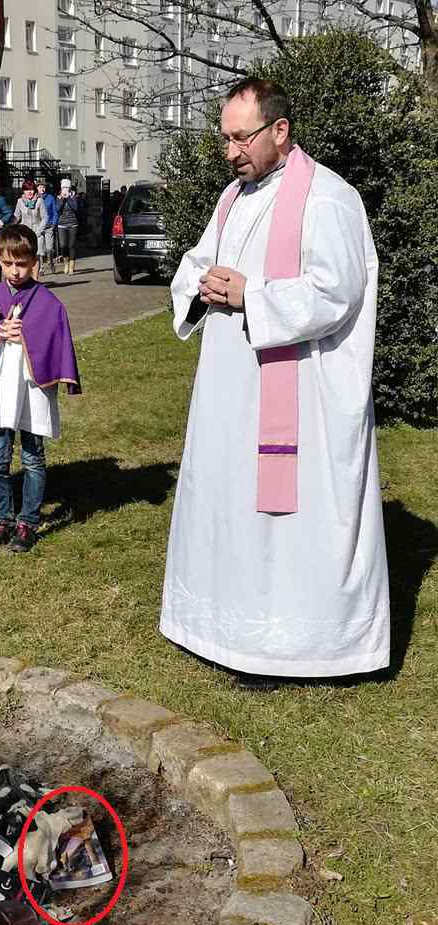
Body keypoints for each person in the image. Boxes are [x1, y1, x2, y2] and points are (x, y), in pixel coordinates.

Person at [160, 77, 390, 682]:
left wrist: (249, 295)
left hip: (299, 399)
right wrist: (202, 285)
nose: (230, 151)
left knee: (289, 526)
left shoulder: (328, 198)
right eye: (224, 139)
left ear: (279, 131)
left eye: (241, 137)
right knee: (231, 506)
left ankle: (295, 646)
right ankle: (228, 630)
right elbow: (199, 259)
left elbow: (336, 294)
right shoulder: (233, 198)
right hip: (232, 387)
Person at [0, 224, 81, 553]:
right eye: (9, 263)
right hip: (1, 388)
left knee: (32, 458)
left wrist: (25, 335)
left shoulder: (47, 302)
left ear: (34, 261)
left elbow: (55, 340)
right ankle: (3, 519)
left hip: (32, 390)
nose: (15, 271)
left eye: (23, 264)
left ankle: (27, 522)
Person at [12, 182, 47, 279]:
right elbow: (16, 216)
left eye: (31, 189)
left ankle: (35, 279)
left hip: (37, 232)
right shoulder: (19, 202)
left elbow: (44, 217)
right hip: (24, 233)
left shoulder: (40, 201)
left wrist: (39, 231)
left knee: (35, 256)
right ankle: (26, 277)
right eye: (27, 190)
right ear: (23, 191)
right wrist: (12, 228)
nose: (30, 192)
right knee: (24, 256)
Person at [56, 187, 79, 275]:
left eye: (66, 188)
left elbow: (75, 208)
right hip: (62, 224)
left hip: (73, 224)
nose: (65, 190)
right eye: (63, 188)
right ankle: (66, 263)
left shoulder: (73, 197)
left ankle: (71, 267)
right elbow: (57, 209)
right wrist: (62, 198)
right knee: (63, 245)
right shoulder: (58, 198)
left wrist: (69, 198)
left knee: (71, 245)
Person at [37, 182, 58, 274]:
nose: (42, 189)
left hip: (49, 225)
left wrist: (54, 223)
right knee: (40, 248)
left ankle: (51, 262)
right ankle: (41, 267)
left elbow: (55, 211)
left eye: (43, 187)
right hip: (39, 226)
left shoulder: (50, 198)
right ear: (37, 188)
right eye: (40, 187)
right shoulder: (35, 198)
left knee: (49, 247)